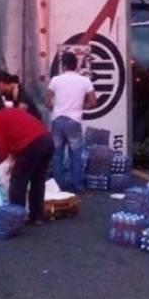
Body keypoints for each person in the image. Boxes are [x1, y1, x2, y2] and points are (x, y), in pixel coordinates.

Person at [0, 101, 54, 224]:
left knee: (18, 183)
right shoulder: (13, 111)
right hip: (47, 140)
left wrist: (1, 165)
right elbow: (18, 136)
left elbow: (0, 146)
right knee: (38, 181)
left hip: (31, 146)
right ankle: (37, 217)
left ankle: (16, 218)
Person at [45, 52, 96, 193]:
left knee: (57, 155)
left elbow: (47, 101)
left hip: (57, 121)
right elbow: (93, 102)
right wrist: (79, 107)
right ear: (77, 65)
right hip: (74, 121)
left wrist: (56, 110)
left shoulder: (55, 80)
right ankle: (78, 186)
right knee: (75, 155)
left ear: (64, 65)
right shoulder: (85, 81)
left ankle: (57, 187)